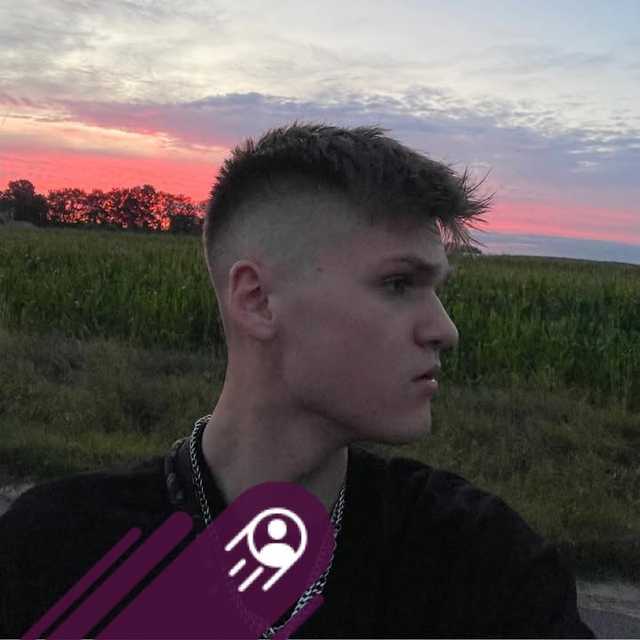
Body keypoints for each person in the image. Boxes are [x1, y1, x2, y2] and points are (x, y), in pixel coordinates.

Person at [0, 122, 595, 638]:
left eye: (435, 289)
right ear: (257, 300)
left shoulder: (480, 565)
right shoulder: (57, 552)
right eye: (397, 284)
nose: (445, 330)